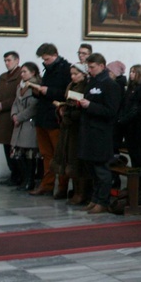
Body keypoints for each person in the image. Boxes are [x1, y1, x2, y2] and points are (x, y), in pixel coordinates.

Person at [77, 53, 122, 214]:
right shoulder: (91, 82)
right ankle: (95, 198)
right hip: (89, 131)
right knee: (92, 169)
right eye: (88, 67)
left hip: (101, 133)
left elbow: (111, 111)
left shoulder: (110, 85)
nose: (89, 70)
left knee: (102, 170)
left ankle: (103, 200)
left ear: (102, 66)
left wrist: (90, 105)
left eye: (92, 67)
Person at [31, 43, 72, 198]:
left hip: (55, 118)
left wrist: (48, 91)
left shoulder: (65, 70)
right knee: (46, 154)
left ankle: (62, 187)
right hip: (43, 116)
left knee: (60, 154)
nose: (45, 62)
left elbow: (67, 93)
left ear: (55, 55)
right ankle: (46, 185)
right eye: (43, 60)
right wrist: (37, 92)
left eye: (47, 59)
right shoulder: (48, 70)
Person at [51, 63, 91, 206]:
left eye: (76, 74)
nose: (73, 76)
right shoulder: (71, 86)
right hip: (68, 127)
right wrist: (61, 109)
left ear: (84, 74)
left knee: (77, 161)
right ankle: (74, 190)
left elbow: (81, 109)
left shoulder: (86, 87)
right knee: (69, 160)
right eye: (72, 74)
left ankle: (81, 193)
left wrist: (67, 112)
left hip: (78, 129)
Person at [10, 62, 41, 192]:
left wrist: (20, 117)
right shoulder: (20, 86)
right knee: (19, 155)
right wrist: (14, 115)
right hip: (19, 124)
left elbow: (34, 106)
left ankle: (30, 181)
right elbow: (16, 103)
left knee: (30, 155)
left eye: (25, 72)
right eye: (21, 72)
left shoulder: (36, 86)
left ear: (33, 73)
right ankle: (23, 179)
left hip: (29, 123)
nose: (22, 74)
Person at [0, 51, 22, 186]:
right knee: (6, 146)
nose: (7, 63)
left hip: (14, 115)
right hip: (3, 116)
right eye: (5, 60)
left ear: (17, 61)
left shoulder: (20, 75)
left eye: (9, 60)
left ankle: (18, 175)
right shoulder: (3, 76)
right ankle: (13, 174)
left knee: (15, 148)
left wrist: (3, 104)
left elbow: (18, 96)